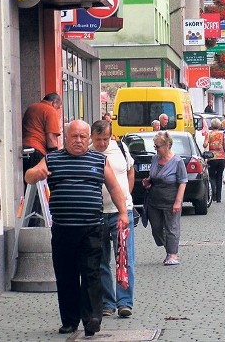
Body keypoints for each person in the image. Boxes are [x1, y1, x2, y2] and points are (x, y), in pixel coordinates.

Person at [24, 120, 128, 337]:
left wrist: (123, 213)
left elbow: (114, 187)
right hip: (63, 229)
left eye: (83, 136)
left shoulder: (100, 160)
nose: (79, 140)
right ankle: (69, 321)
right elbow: (30, 175)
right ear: (66, 137)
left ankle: (92, 319)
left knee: (91, 274)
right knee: (66, 275)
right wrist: (36, 174)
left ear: (88, 138)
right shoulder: (52, 159)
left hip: (91, 229)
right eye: (74, 136)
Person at [89, 120, 136, 319]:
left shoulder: (120, 148)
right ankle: (107, 303)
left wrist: (126, 197)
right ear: (91, 136)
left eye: (105, 139)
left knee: (124, 259)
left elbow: (130, 171)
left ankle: (124, 302)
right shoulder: (87, 153)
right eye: (98, 139)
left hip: (121, 213)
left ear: (111, 136)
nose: (102, 143)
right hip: (96, 213)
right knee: (101, 261)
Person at [142, 131, 187, 266]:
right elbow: (155, 176)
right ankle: (169, 249)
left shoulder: (177, 161)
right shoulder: (155, 159)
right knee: (156, 228)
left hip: (171, 199)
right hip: (154, 199)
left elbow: (183, 182)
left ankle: (173, 254)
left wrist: (178, 202)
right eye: (154, 146)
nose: (155, 149)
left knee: (171, 227)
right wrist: (148, 182)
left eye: (158, 146)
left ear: (167, 145)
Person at [22, 93, 62, 178]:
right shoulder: (50, 110)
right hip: (37, 151)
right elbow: (51, 138)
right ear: (54, 103)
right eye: (58, 107)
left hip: (24, 150)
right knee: (37, 185)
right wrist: (54, 157)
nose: (57, 110)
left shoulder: (31, 107)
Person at [203, 118, 225, 203]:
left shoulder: (209, 134)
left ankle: (213, 195)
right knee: (219, 177)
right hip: (221, 157)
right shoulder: (222, 135)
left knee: (212, 176)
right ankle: (218, 197)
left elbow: (204, 145)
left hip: (212, 157)